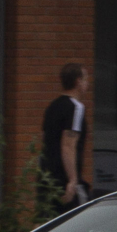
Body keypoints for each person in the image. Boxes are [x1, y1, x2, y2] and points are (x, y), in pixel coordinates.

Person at [40, 62, 92, 212]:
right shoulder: (76, 108)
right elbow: (68, 146)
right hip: (64, 179)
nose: (87, 84)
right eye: (85, 79)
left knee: (46, 221)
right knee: (80, 222)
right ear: (78, 82)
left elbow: (44, 138)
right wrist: (73, 180)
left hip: (47, 176)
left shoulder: (52, 107)